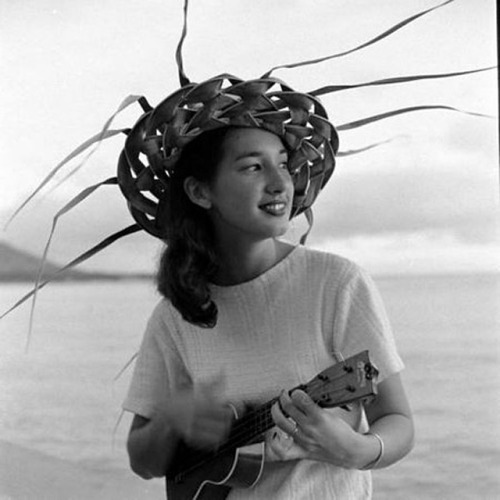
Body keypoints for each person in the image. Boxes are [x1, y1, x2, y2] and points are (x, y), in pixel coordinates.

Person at [122, 115, 414, 498]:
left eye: (282, 164)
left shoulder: (337, 283)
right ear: (200, 192)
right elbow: (143, 462)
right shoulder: (176, 315)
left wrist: (357, 450)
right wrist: (172, 419)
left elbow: (398, 421)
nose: (280, 184)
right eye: (253, 167)